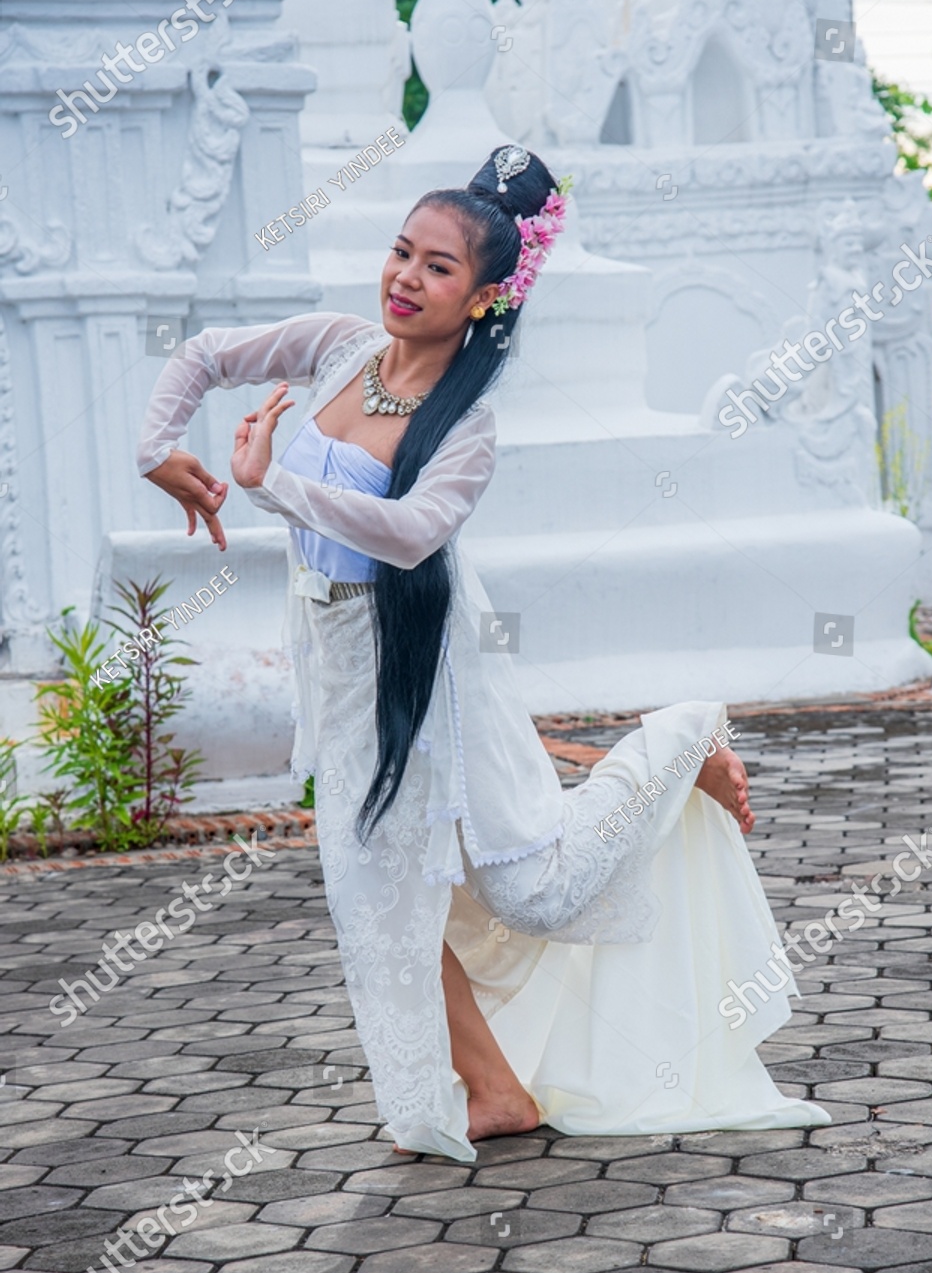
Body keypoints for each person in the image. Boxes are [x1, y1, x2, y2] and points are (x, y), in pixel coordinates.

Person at [138, 143, 828, 1162]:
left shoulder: (469, 426)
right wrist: (158, 449)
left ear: (482, 297)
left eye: (437, 267)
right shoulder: (336, 347)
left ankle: (680, 744)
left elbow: (411, 532)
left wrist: (272, 485)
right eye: (400, 252)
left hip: (430, 665)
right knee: (380, 887)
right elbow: (200, 354)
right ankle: (491, 1089)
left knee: (526, 890)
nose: (404, 279)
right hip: (336, 659)